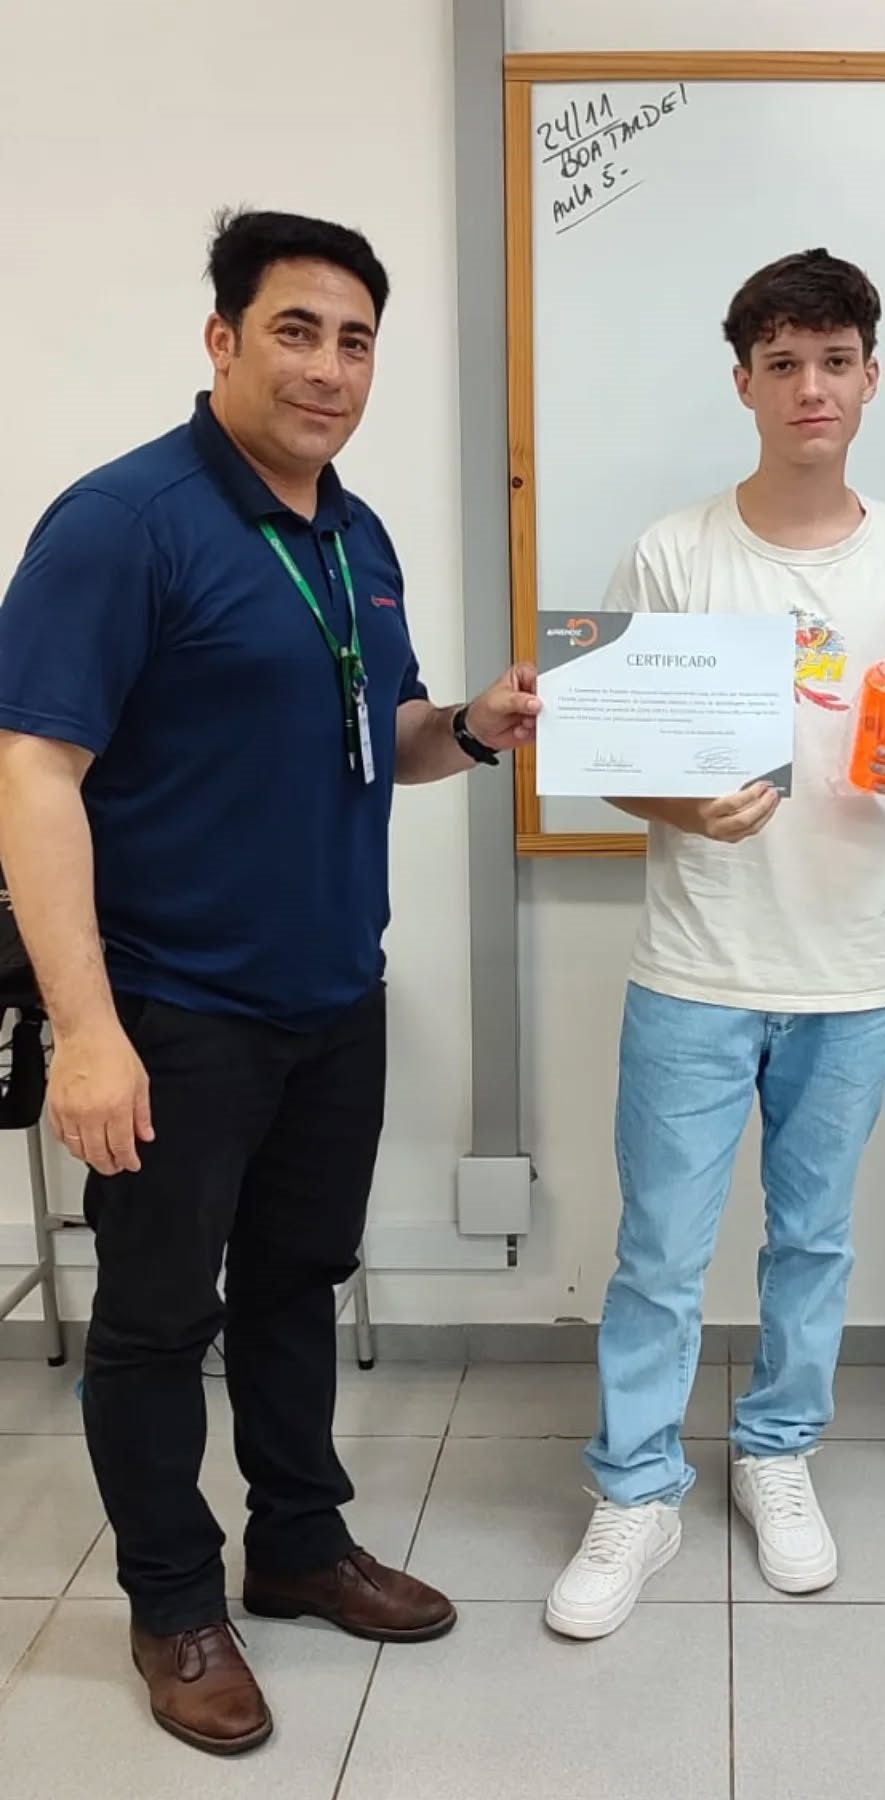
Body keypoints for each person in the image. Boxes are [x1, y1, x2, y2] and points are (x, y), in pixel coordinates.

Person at [0, 209, 540, 1754]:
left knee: (299, 1284)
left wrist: (477, 727)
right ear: (223, 339)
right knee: (157, 1322)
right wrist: (87, 1033)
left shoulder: (352, 537)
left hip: (330, 999)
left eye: (356, 340)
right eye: (297, 330)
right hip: (173, 1013)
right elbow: (31, 773)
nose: (329, 367)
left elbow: (389, 736)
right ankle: (175, 1607)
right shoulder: (125, 523)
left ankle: (298, 1542)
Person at [544, 249, 885, 1640]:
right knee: (660, 1251)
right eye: (782, 363)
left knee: (813, 1242)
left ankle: (779, 1454)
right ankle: (637, 1489)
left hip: (853, 970)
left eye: (834, 361)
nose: (810, 387)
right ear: (743, 382)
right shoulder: (675, 551)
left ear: (870, 377)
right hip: (696, 965)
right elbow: (604, 747)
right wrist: (680, 802)